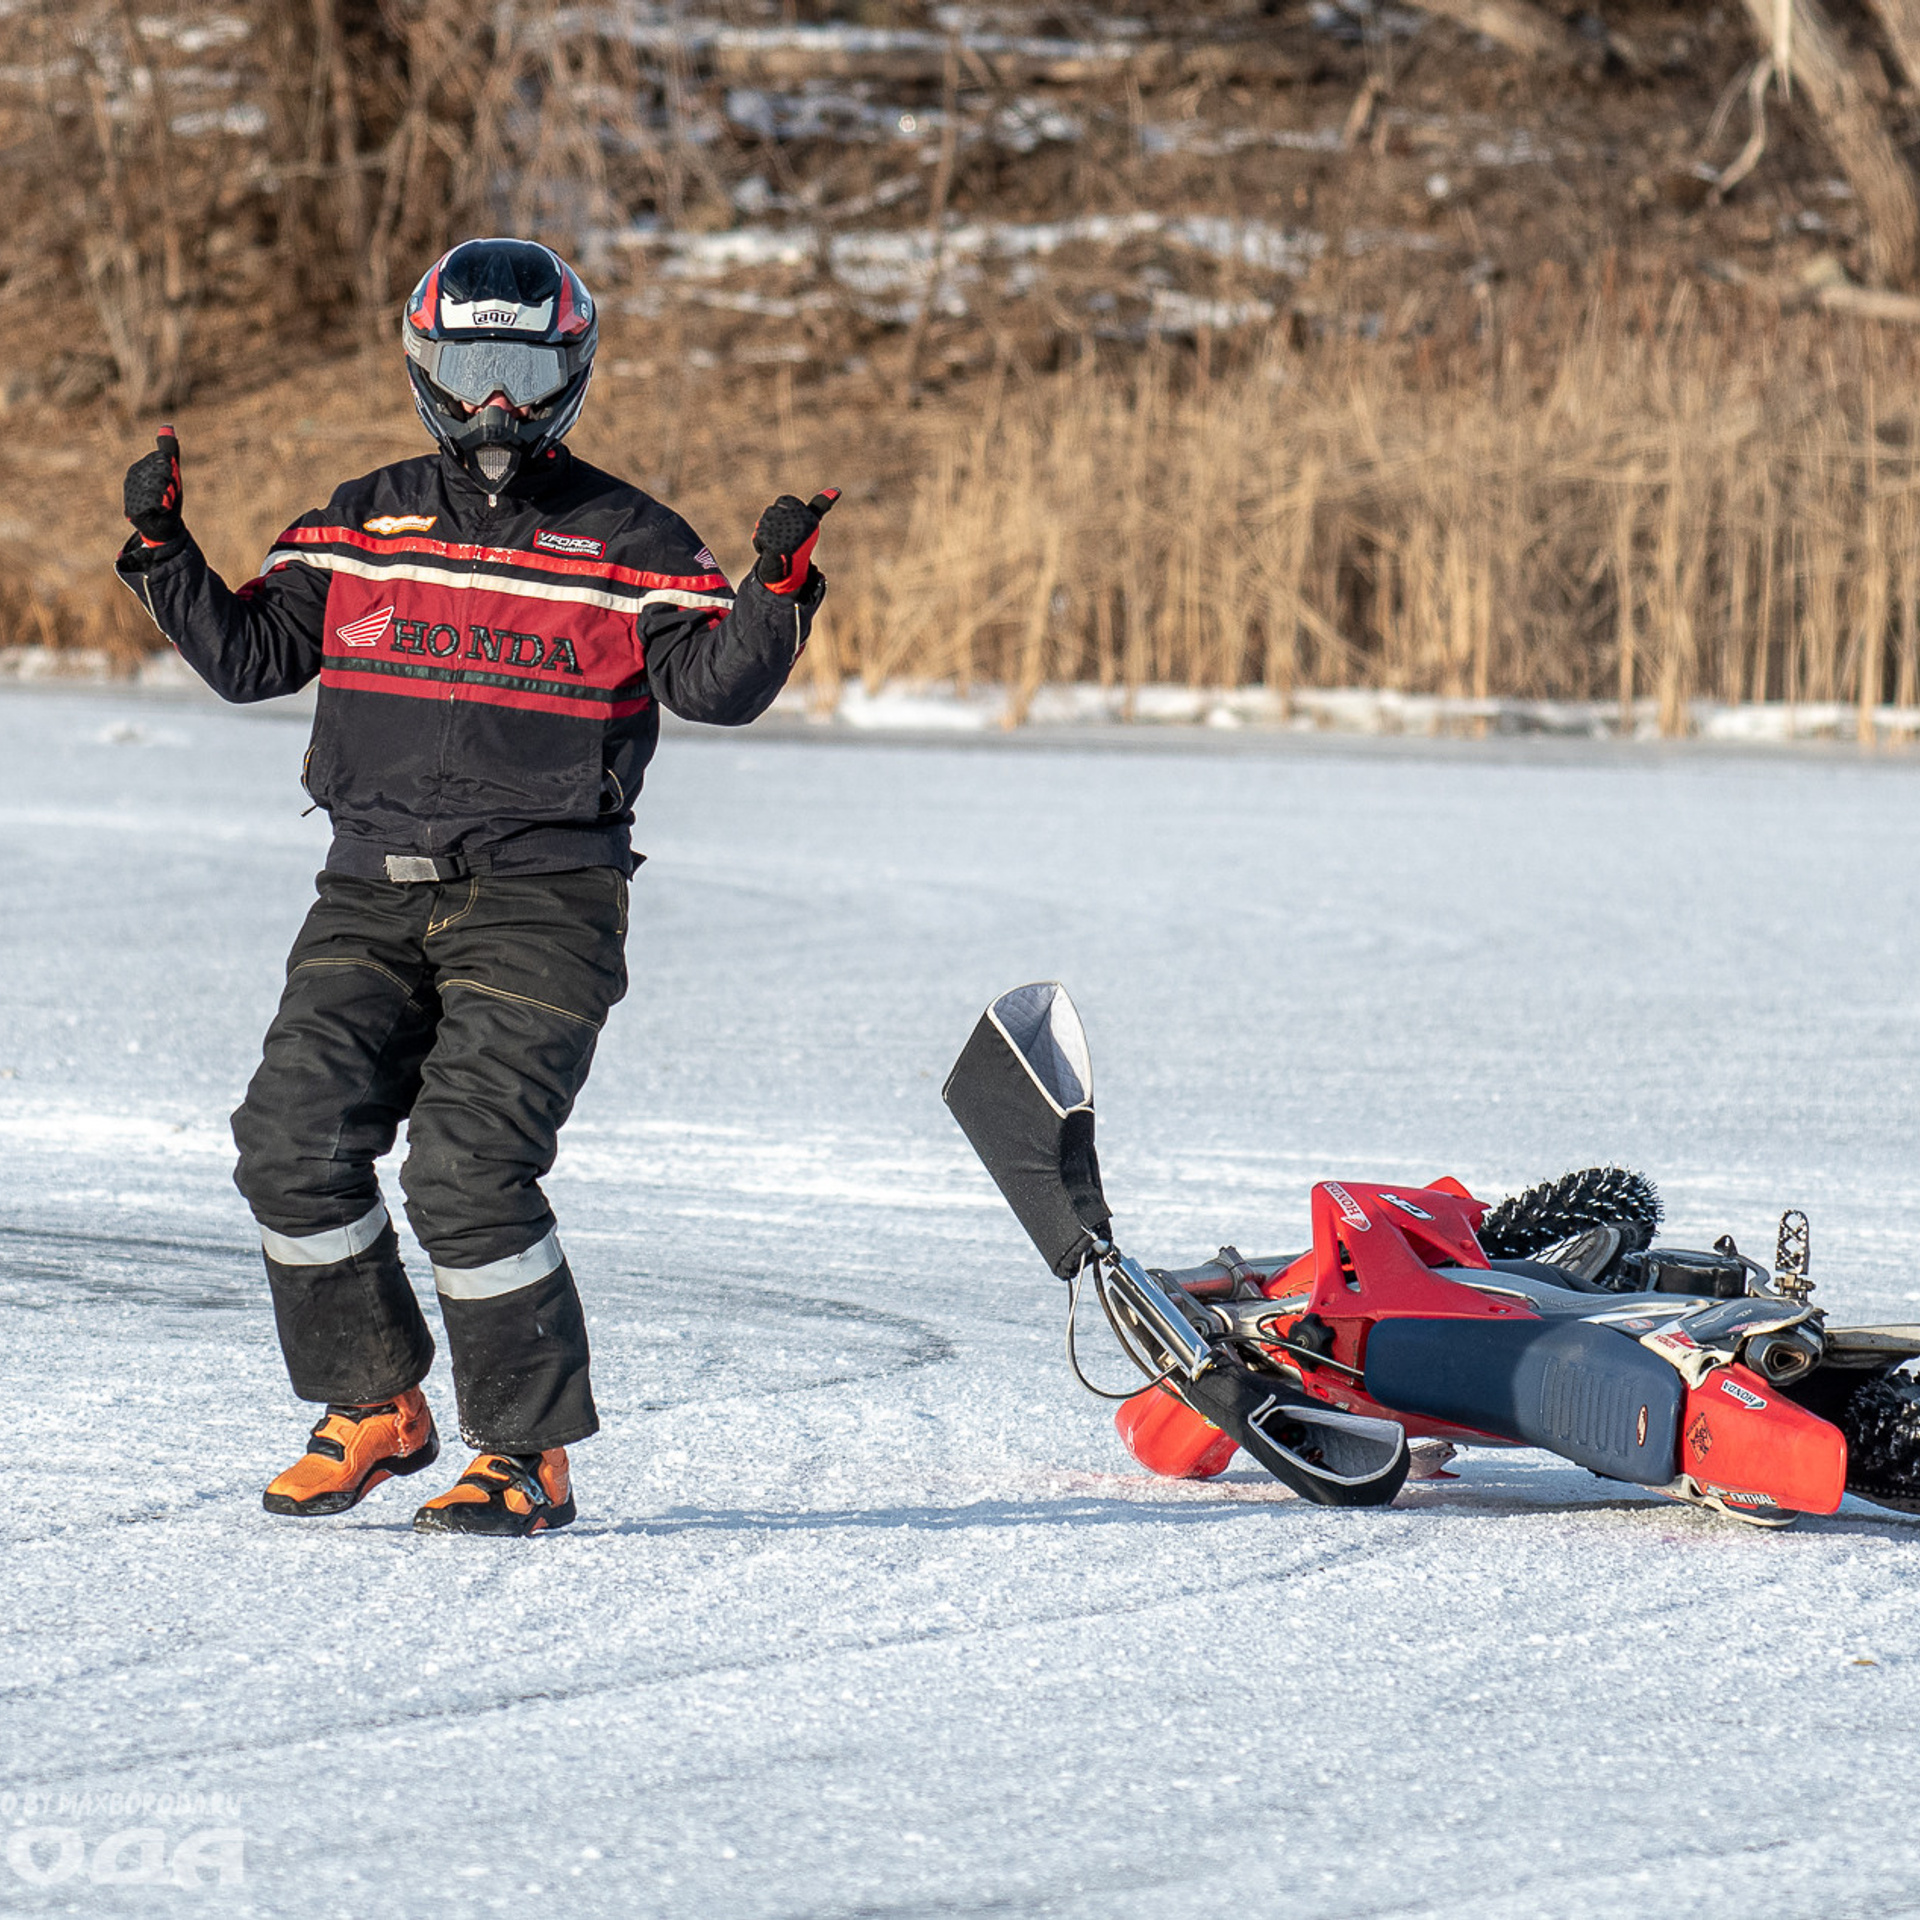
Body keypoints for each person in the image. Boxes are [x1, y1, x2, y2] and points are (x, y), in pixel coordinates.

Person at [115, 236, 835, 1537]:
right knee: (290, 1144)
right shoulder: (358, 517)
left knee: (466, 1167)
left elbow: (714, 687)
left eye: (522, 371)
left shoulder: (630, 537)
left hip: (546, 900)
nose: (495, 403)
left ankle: (526, 1452)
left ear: (569, 369)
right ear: (424, 366)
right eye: (472, 370)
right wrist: (165, 548)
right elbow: (253, 659)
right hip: (369, 893)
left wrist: (773, 593)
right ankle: (373, 1405)